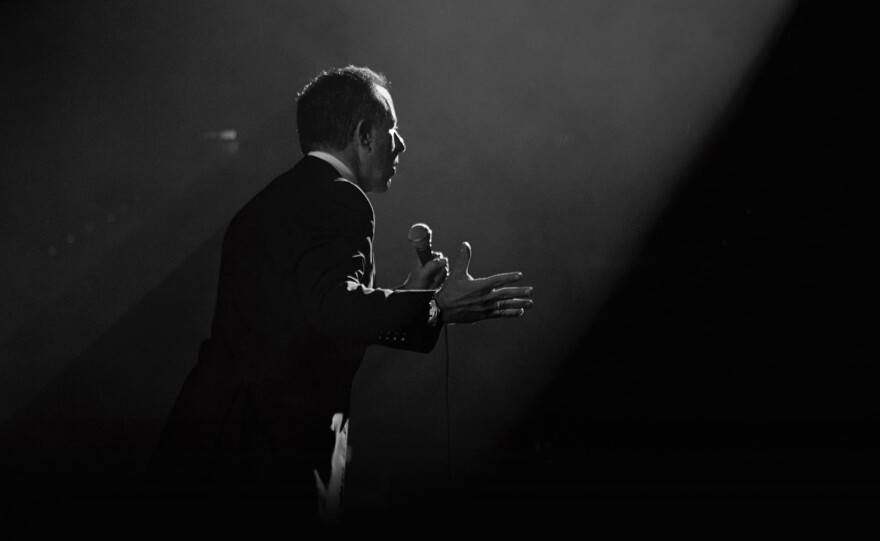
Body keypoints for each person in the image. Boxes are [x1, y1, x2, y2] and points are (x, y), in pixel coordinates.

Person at [146, 66, 533, 528]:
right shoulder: (339, 198)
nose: (401, 143)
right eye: (391, 128)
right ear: (364, 135)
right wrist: (437, 306)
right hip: (264, 461)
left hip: (214, 447)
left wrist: (410, 297)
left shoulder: (277, 199)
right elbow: (333, 310)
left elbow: (312, 320)